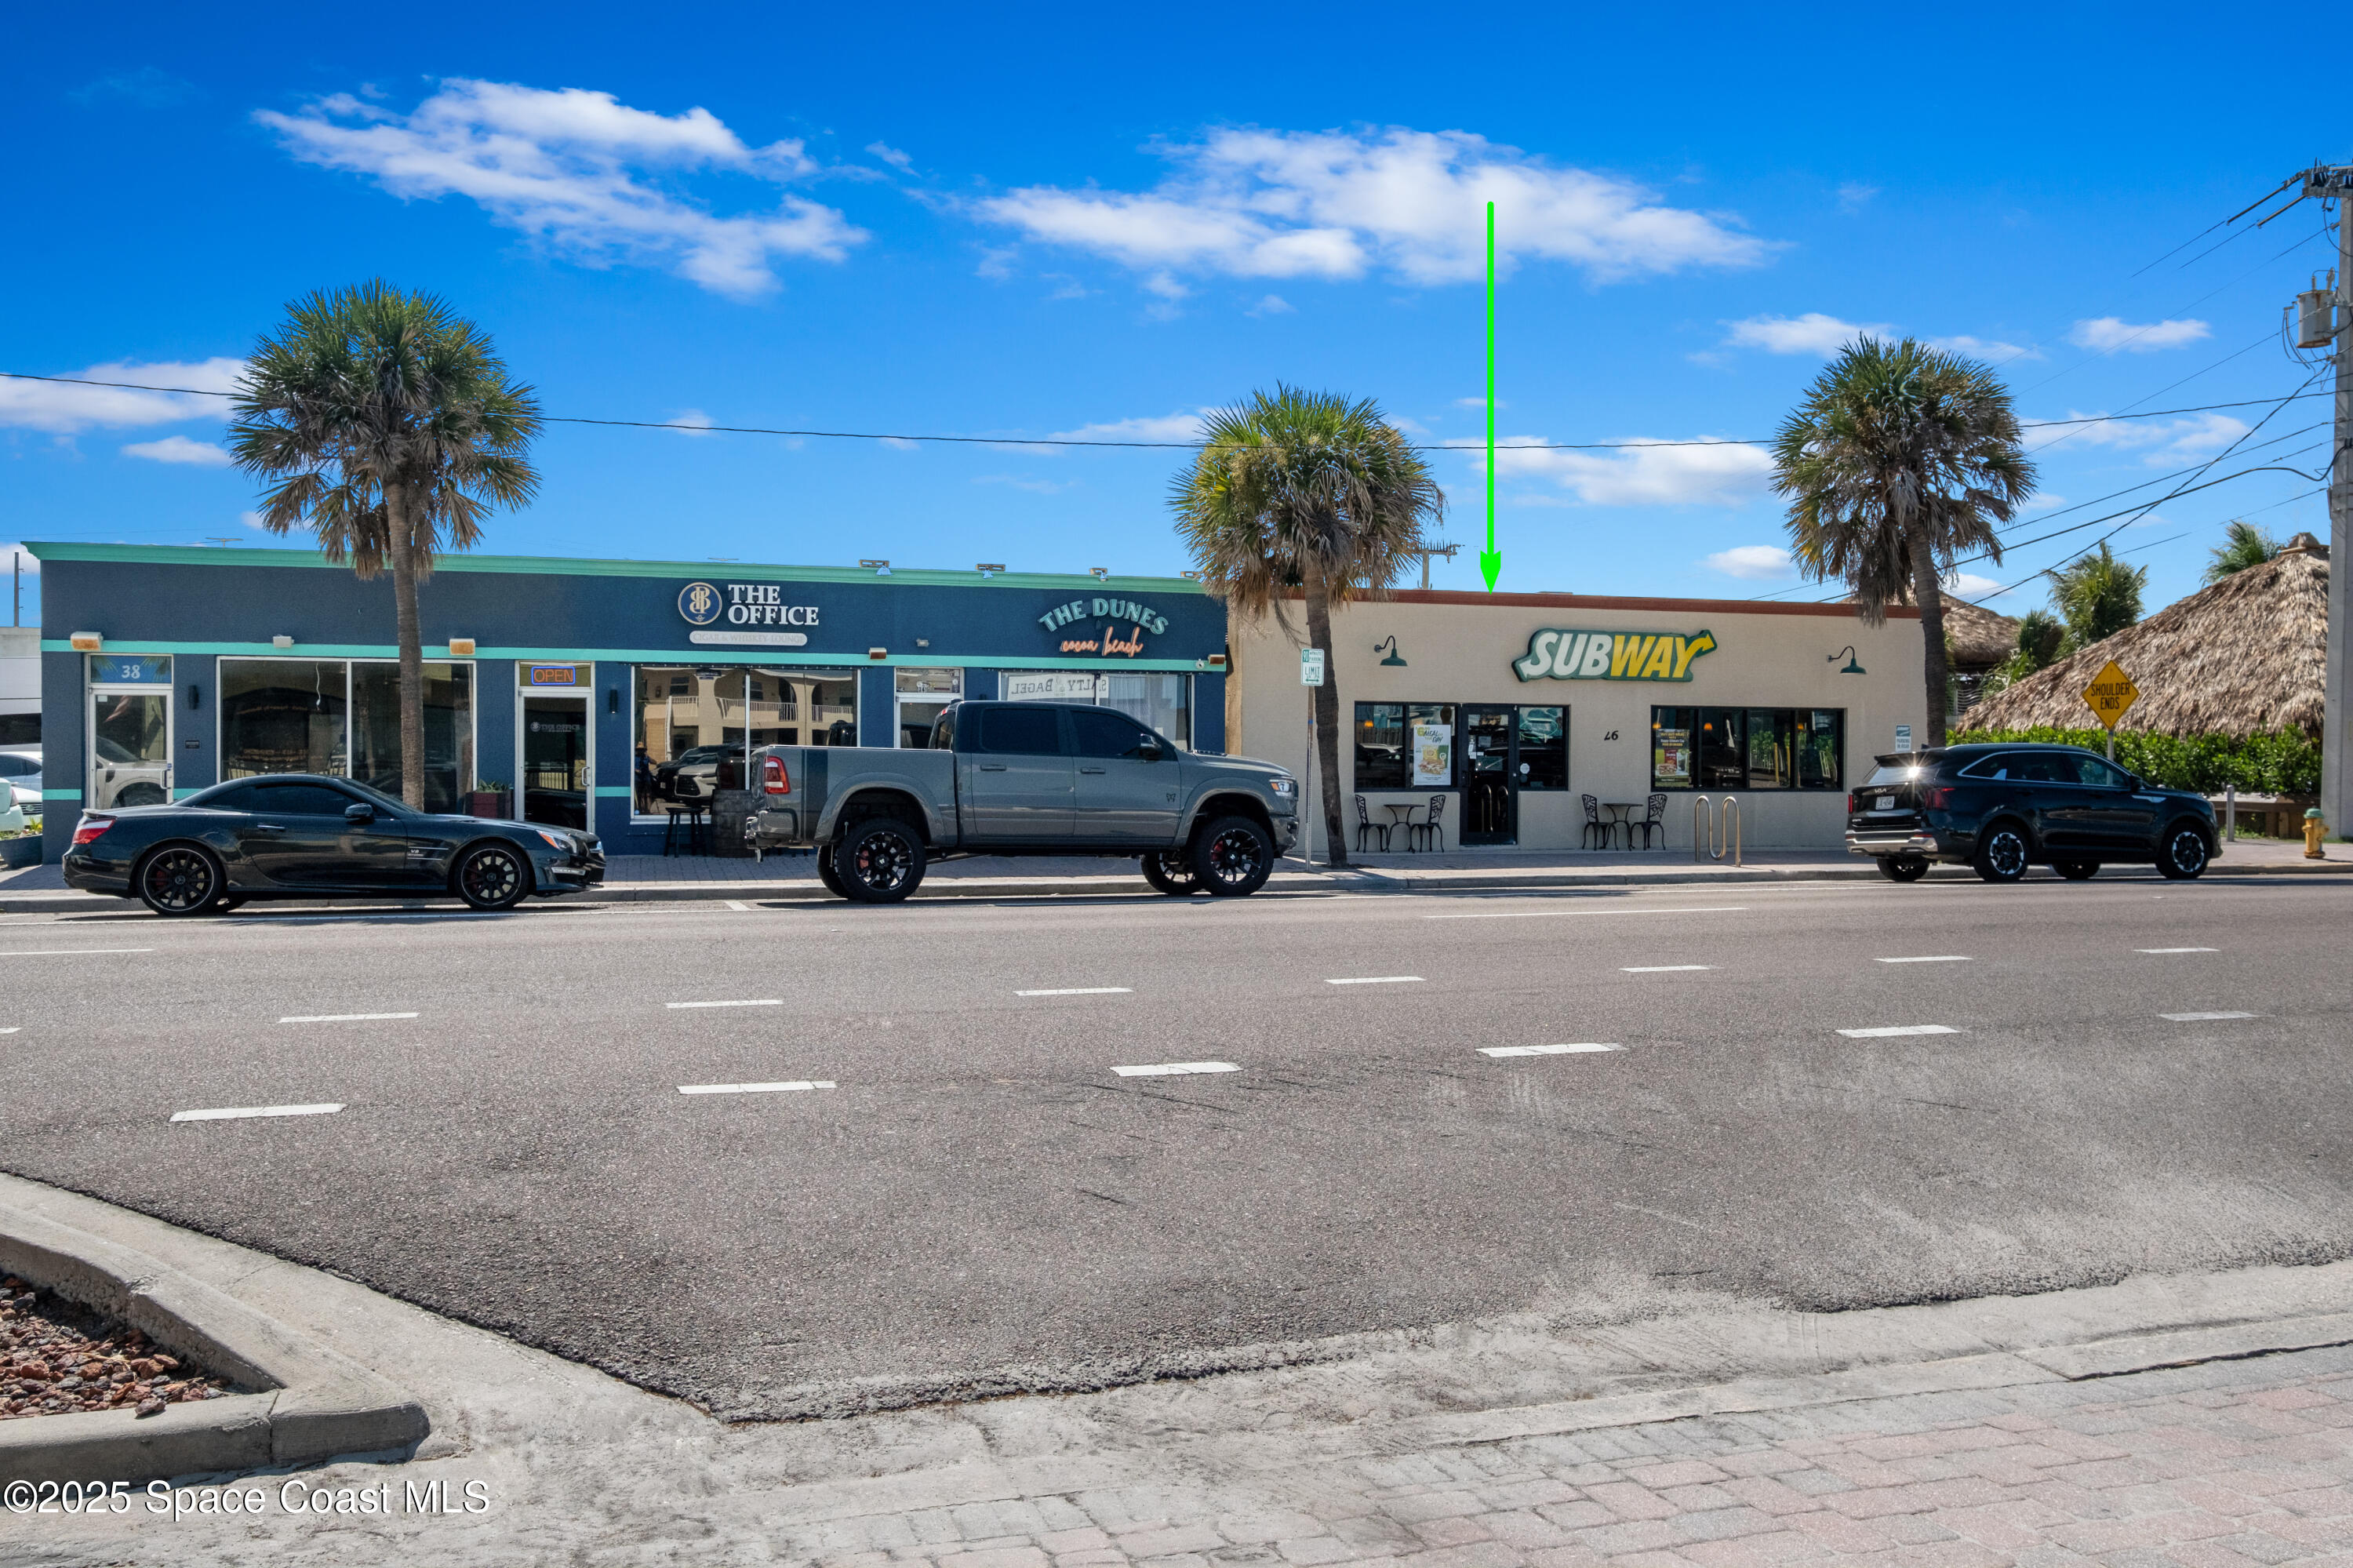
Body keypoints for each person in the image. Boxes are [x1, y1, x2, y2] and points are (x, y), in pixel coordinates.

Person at [635, 744, 656, 813]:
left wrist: (648, 757)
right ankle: (640, 809)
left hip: (646, 779)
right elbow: (630, 766)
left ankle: (648, 809)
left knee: (648, 795)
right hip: (638, 779)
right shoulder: (635, 757)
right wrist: (636, 770)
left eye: (642, 750)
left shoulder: (646, 757)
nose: (641, 751)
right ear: (637, 751)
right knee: (639, 795)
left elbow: (654, 762)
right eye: (639, 750)